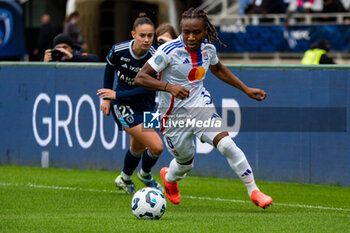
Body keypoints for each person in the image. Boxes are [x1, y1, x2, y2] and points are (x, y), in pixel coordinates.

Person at [135, 7, 273, 209]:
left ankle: (254, 191)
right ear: (181, 30)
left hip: (200, 107)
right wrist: (169, 87)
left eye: (196, 32)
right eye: (186, 32)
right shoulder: (168, 51)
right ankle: (169, 178)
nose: (191, 37)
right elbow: (141, 77)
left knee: (226, 144)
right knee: (185, 165)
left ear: (205, 31)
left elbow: (218, 69)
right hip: (172, 118)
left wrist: (245, 89)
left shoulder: (208, 49)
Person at [97, 13, 163, 195]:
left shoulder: (156, 55)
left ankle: (125, 178)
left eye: (150, 36)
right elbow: (109, 67)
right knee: (157, 146)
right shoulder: (119, 50)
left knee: (138, 146)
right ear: (133, 34)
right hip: (124, 105)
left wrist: (116, 94)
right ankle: (145, 174)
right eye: (143, 35)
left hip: (148, 104)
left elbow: (149, 89)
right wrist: (107, 97)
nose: (147, 39)